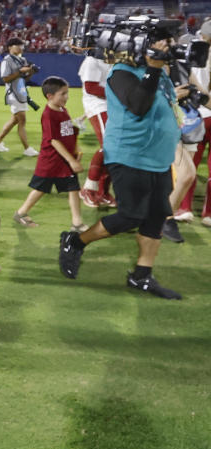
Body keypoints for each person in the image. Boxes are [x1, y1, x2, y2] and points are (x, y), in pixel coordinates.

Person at [59, 26, 192, 299]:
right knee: (131, 215)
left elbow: (163, 102)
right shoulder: (121, 73)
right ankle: (75, 241)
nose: (168, 47)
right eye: (163, 42)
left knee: (156, 215)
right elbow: (139, 105)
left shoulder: (161, 72)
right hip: (130, 155)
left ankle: (141, 276)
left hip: (157, 157)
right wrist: (154, 68)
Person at [12, 76, 85, 231]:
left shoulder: (62, 109)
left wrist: (76, 150)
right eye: (63, 94)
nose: (66, 97)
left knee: (73, 188)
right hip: (51, 161)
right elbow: (54, 140)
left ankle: (77, 222)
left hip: (64, 160)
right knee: (40, 189)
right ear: (50, 96)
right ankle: (21, 212)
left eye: (67, 93)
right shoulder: (49, 114)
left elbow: (68, 132)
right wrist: (71, 160)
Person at [177, 20, 211, 227]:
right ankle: (208, 214)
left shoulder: (189, 52)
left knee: (190, 163)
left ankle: (184, 207)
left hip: (196, 116)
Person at [76, 54, 117, 209]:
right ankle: (89, 188)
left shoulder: (114, 56)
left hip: (112, 104)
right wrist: (120, 95)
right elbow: (90, 87)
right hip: (98, 105)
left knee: (115, 149)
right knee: (109, 146)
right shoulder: (92, 60)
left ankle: (103, 191)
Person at [0, 38, 39, 156]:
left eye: (21, 45)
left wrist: (31, 72)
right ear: (10, 47)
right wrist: (20, 72)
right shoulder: (7, 60)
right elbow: (5, 78)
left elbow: (24, 79)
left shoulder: (22, 59)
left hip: (21, 91)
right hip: (13, 93)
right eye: (17, 45)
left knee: (15, 120)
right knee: (22, 121)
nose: (20, 47)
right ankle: (27, 148)